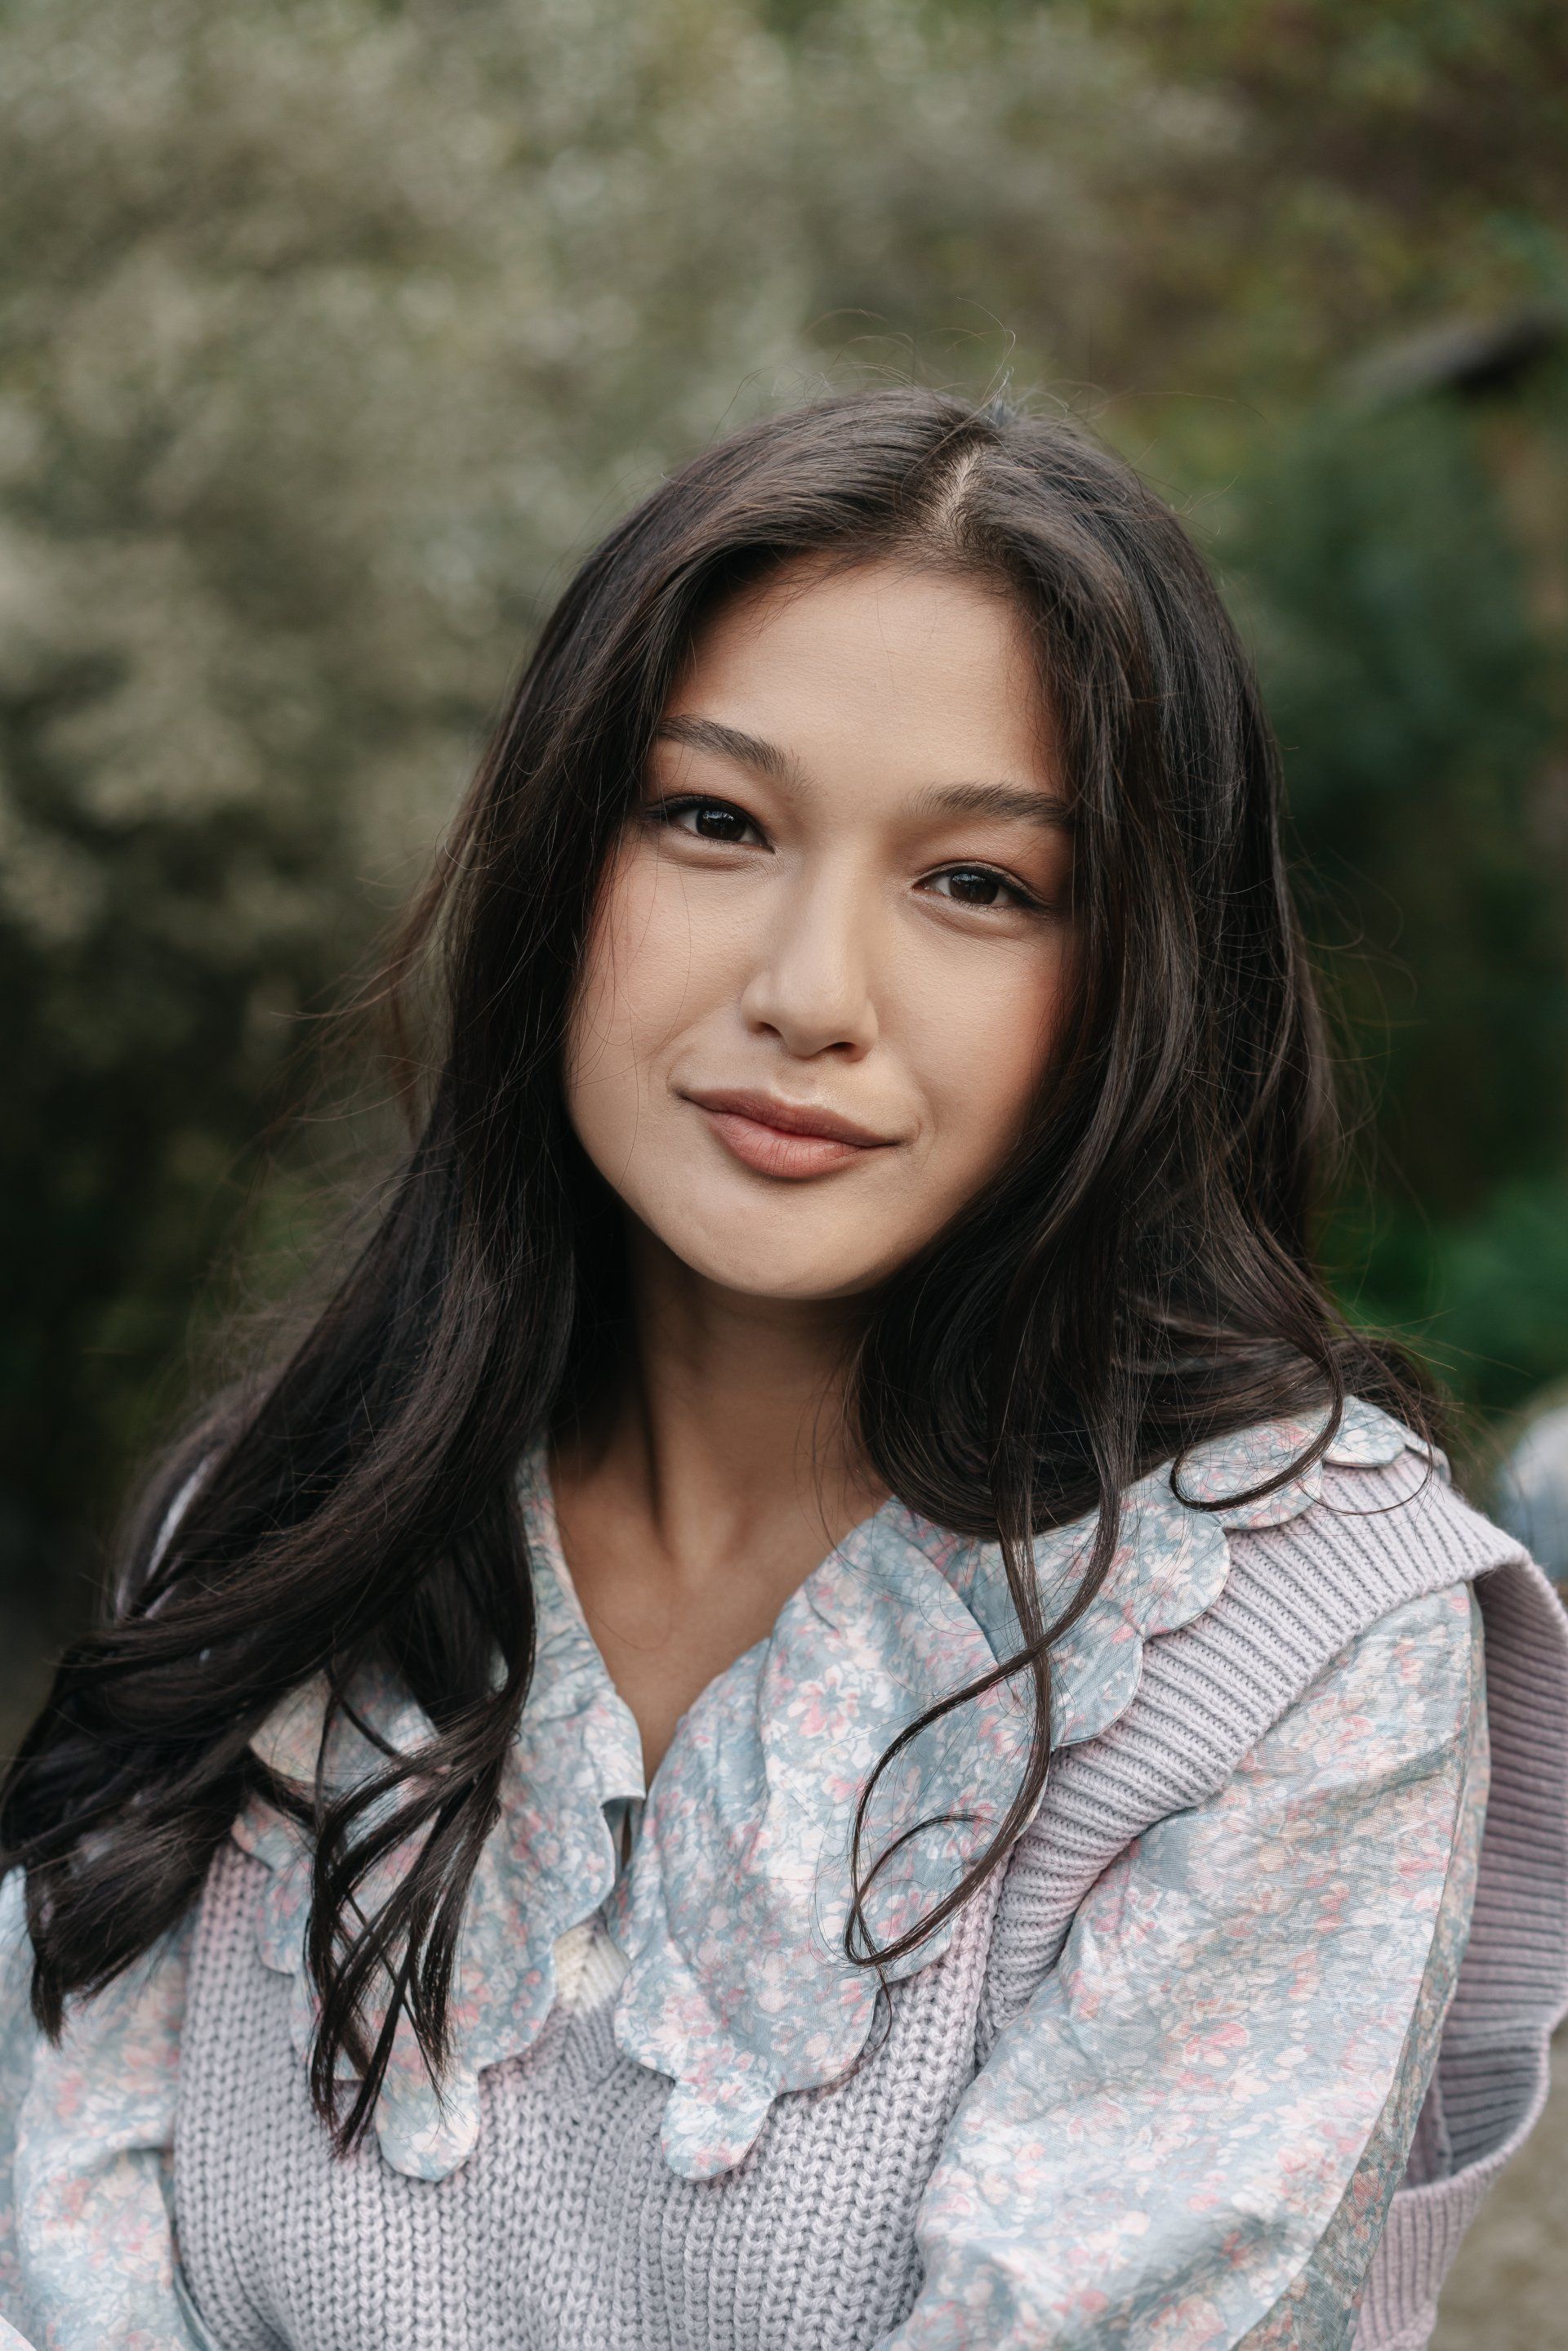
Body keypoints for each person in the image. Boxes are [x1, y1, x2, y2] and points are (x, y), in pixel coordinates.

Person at [0, 389, 1563, 2351]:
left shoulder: (1295, 1638)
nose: (810, 992)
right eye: (714, 821)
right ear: (563, 857)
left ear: (1140, 984)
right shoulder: (283, 1527)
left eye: (978, 882)